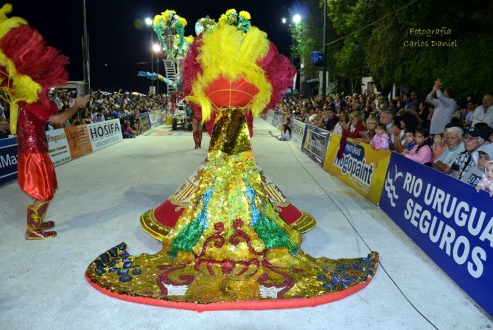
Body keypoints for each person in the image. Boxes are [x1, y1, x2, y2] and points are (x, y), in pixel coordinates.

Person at [85, 10, 378, 309]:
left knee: (213, 198)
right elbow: (235, 137)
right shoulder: (241, 105)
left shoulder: (219, 104)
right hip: (236, 163)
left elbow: (219, 134)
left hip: (226, 163)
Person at [0, 5, 91, 239]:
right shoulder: (30, 100)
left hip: (36, 151)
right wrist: (76, 108)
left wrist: (72, 108)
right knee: (45, 193)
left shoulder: (27, 99)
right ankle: (32, 230)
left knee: (47, 190)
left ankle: (37, 223)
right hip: (33, 154)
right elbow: (57, 119)